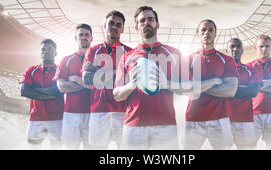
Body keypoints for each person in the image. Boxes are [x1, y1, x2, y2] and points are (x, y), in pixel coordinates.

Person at [113, 6, 188, 150]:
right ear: (136, 27)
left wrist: (166, 84)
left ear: (157, 24)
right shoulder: (126, 57)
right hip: (133, 126)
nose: (146, 23)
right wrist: (131, 85)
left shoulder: (173, 53)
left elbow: (188, 87)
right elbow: (117, 95)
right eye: (142, 21)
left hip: (165, 125)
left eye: (150, 19)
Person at [183, 20, 239, 150]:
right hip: (193, 118)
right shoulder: (188, 60)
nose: (207, 32)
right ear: (197, 34)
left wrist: (198, 87)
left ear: (215, 34)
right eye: (203, 30)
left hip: (220, 118)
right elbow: (185, 88)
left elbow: (230, 90)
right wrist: (214, 81)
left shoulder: (227, 60)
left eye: (210, 30)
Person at [81, 10, 132, 149]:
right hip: (99, 109)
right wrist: (119, 72)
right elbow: (87, 79)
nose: (114, 27)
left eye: (118, 24)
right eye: (111, 23)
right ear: (105, 25)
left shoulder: (130, 53)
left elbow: (132, 79)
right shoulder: (93, 51)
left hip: (124, 111)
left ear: (122, 29)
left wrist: (100, 72)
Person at [53, 24, 93, 149]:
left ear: (91, 38)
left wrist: (76, 79)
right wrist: (87, 84)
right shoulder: (66, 60)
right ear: (76, 38)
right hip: (70, 114)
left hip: (93, 113)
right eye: (81, 34)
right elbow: (62, 87)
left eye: (87, 35)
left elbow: (100, 85)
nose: (84, 37)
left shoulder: (98, 60)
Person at [20, 39, 64, 149]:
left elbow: (59, 90)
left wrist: (34, 91)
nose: (46, 52)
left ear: (56, 53)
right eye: (43, 49)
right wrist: (51, 93)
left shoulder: (61, 70)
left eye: (49, 49)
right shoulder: (31, 70)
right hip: (36, 118)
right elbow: (24, 91)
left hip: (57, 118)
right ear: (40, 53)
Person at [225, 38, 262, 150]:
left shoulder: (250, 69)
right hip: (223, 119)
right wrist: (243, 89)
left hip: (245, 119)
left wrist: (228, 90)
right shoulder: (220, 71)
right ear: (226, 50)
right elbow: (215, 91)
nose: (235, 49)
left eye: (238, 46)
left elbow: (253, 92)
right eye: (232, 46)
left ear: (242, 50)